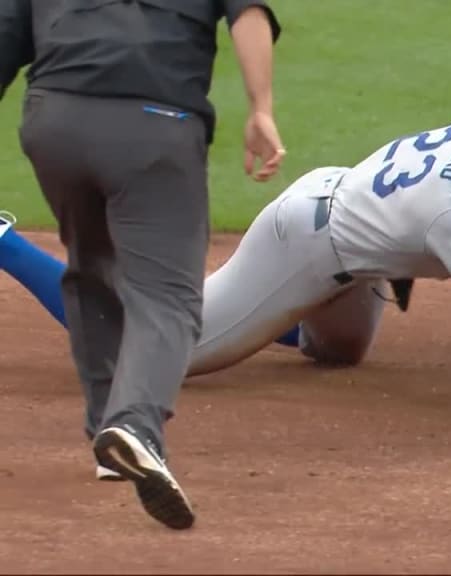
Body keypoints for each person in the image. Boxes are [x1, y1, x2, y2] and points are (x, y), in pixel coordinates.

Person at [0, 86, 451, 470]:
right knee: (152, 349)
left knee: (338, 354)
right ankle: (7, 240)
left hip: (359, 244)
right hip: (304, 243)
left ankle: (277, 317)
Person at [0, 0, 285, 530]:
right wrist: (261, 108)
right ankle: (136, 426)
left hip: (53, 120)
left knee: (91, 265)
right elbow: (250, 15)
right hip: (155, 123)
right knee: (167, 294)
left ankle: (106, 433)